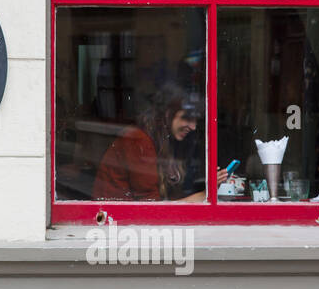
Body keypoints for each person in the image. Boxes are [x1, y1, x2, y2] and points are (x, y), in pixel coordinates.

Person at [91, 84, 228, 202]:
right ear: (168, 114)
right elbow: (152, 208)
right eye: (186, 118)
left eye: (195, 120)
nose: (193, 127)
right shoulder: (140, 141)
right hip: (116, 225)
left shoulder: (158, 137)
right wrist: (205, 194)